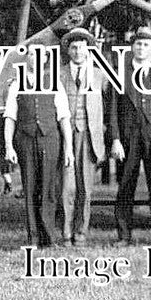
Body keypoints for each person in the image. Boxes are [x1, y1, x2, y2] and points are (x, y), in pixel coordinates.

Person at [107, 27, 151, 246]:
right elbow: (113, 110)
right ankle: (124, 235)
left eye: (146, 44)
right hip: (128, 138)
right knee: (126, 185)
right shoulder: (119, 74)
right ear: (132, 47)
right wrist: (116, 139)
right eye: (138, 44)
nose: (141, 48)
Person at [4, 54, 73, 247]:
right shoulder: (16, 84)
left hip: (50, 139)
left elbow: (64, 117)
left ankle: (48, 237)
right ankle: (33, 237)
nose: (36, 58)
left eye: (40, 55)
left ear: (45, 60)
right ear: (28, 59)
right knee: (30, 188)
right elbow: (10, 117)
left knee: (49, 188)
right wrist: (9, 146)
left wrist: (69, 149)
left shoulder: (55, 83)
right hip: (25, 139)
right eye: (32, 54)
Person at [59, 28, 107, 246]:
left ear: (88, 51)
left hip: (89, 136)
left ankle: (81, 232)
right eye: (74, 47)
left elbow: (110, 107)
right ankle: (66, 232)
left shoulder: (100, 76)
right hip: (66, 137)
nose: (78, 51)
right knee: (67, 188)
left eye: (82, 47)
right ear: (68, 51)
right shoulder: (58, 75)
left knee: (86, 188)